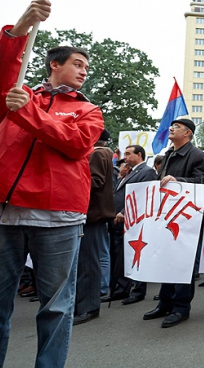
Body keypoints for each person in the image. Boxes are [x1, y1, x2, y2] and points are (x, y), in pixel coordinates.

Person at [0, 0, 105, 367]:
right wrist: (19, 29)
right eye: (78, 64)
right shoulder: (19, 93)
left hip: (57, 218)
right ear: (55, 64)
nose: (84, 71)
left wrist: (28, 111)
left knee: (55, 310)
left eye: (86, 67)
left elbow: (76, 143)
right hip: (0, 214)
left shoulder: (88, 110)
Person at [143, 118, 204, 328]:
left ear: (187, 133)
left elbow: (201, 182)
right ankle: (165, 302)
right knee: (167, 259)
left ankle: (181, 307)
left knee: (183, 263)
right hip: (167, 215)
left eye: (176, 127)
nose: (171, 129)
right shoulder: (169, 153)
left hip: (186, 218)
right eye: (172, 126)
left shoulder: (197, 155)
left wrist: (177, 181)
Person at [74, 129, 115, 325]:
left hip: (92, 215)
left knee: (88, 262)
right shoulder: (102, 153)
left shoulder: (98, 154)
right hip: (92, 215)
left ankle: (88, 307)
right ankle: (84, 304)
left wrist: (71, 178)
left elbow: (94, 182)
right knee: (88, 260)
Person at [107, 145, 157, 304]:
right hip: (120, 221)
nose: (125, 157)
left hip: (136, 222)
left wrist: (124, 211)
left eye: (128, 154)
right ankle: (120, 289)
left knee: (137, 255)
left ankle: (138, 291)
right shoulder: (128, 172)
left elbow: (142, 196)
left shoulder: (146, 171)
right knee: (122, 256)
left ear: (139, 155)